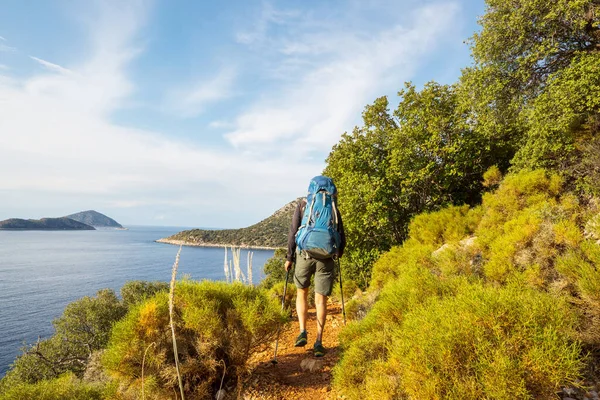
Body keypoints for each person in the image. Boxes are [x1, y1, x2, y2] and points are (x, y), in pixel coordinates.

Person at [284, 176, 345, 357]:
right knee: (321, 300)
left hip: (304, 254)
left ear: (311, 189)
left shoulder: (303, 204)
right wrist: (338, 252)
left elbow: (293, 231)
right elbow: (340, 233)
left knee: (302, 292)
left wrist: (289, 257)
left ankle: (302, 331)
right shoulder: (332, 206)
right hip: (326, 257)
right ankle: (319, 341)